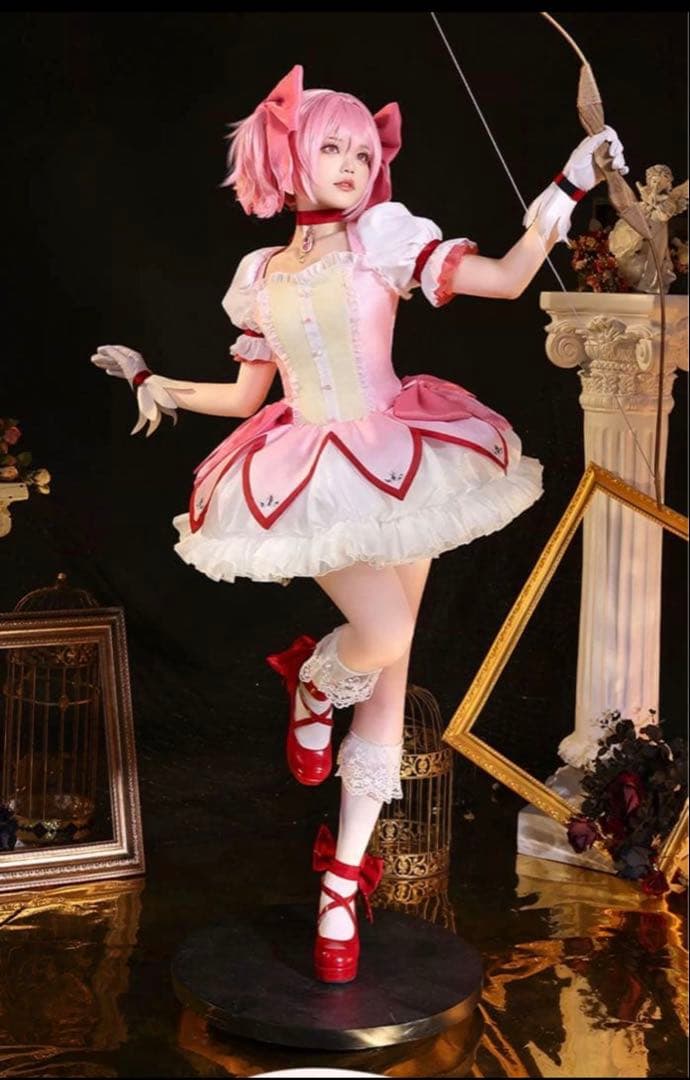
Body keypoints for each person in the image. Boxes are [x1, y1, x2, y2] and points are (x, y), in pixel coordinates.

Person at [91, 65, 627, 984]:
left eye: (364, 151)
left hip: (402, 455)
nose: (351, 163)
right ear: (288, 154)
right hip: (312, 470)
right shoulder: (258, 275)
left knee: (389, 673)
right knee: (387, 635)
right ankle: (313, 681)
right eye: (331, 146)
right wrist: (153, 381)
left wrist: (571, 182)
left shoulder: (384, 235)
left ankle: (342, 881)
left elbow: (505, 278)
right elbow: (246, 396)